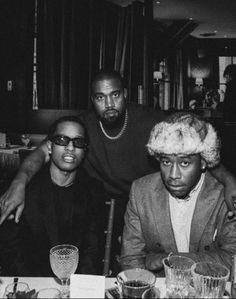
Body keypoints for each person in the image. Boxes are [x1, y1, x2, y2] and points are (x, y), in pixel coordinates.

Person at [0, 70, 236, 266]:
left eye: (115, 95)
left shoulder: (149, 120)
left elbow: (192, 148)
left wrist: (228, 180)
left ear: (124, 94)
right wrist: (19, 182)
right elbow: (42, 151)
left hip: (157, 201)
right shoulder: (84, 126)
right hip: (111, 203)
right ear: (92, 100)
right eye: (100, 98)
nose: (109, 104)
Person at [120, 112, 236, 273]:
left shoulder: (225, 195)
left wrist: (174, 259)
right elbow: (131, 259)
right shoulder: (141, 191)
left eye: (185, 162)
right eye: (166, 162)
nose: (173, 175)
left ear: (203, 162)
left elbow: (233, 258)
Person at [0, 116, 104, 276]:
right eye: (62, 140)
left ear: (85, 151)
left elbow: (92, 250)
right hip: (31, 284)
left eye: (78, 142)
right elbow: (11, 252)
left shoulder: (93, 190)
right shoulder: (23, 190)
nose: (70, 147)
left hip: (74, 284)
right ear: (49, 147)